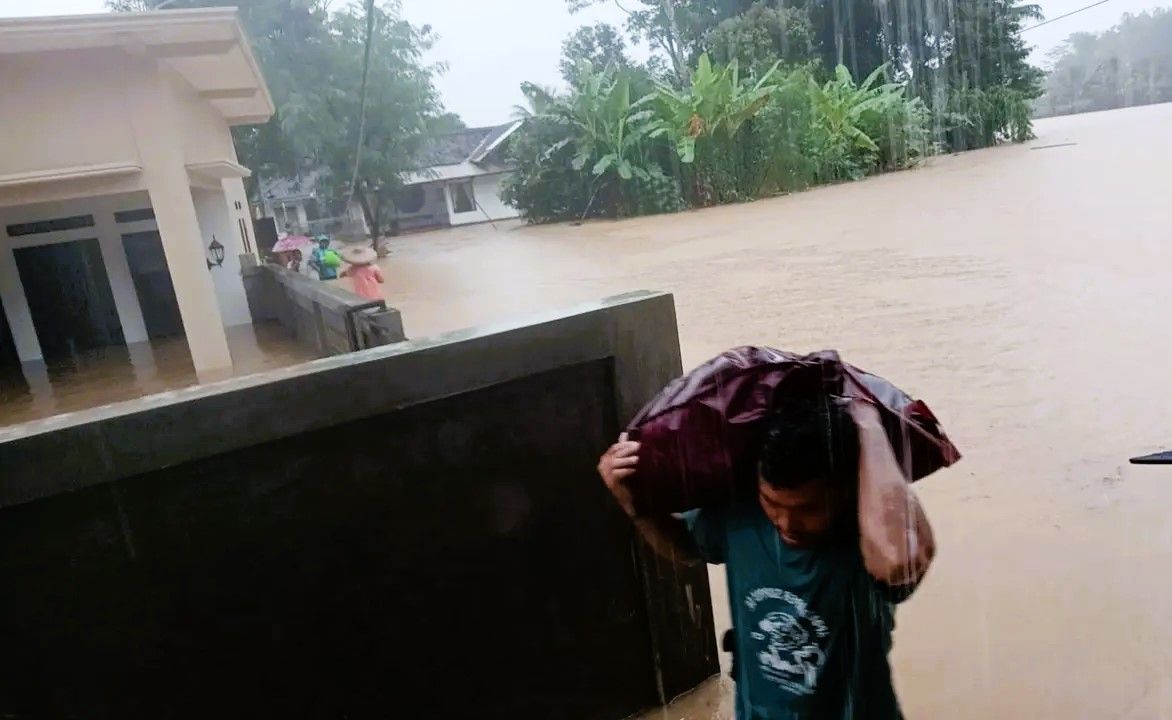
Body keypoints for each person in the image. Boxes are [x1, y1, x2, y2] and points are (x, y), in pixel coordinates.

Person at [597, 394, 935, 719]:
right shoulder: (741, 513)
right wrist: (634, 505)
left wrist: (869, 426)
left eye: (807, 509)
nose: (786, 523)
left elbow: (900, 561)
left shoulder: (866, 530)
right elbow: (686, 548)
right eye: (772, 503)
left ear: (845, 490)